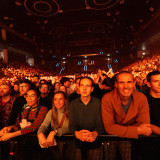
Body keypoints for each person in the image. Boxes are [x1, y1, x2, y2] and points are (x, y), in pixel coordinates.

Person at [101, 71, 151, 160]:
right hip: (112, 138)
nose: (126, 86)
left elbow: (144, 124)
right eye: (121, 82)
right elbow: (109, 127)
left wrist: (118, 128)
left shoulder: (141, 98)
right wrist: (137, 130)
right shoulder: (107, 98)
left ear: (134, 83)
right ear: (116, 84)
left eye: (129, 82)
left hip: (130, 140)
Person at [0, 88, 48, 160]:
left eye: (32, 96)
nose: (29, 98)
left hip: (37, 143)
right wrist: (11, 127)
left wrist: (11, 135)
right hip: (25, 143)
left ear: (38, 98)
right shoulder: (26, 110)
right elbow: (22, 125)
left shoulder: (43, 109)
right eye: (27, 96)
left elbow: (33, 127)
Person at [69, 77, 104, 160]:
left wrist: (95, 133)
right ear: (78, 87)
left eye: (87, 86)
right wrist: (77, 133)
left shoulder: (98, 103)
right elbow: (72, 124)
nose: (84, 88)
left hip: (95, 143)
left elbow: (100, 123)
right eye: (82, 85)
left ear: (92, 89)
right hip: (78, 144)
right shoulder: (73, 104)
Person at [37, 91, 70, 160]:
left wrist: (54, 132)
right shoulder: (51, 112)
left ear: (65, 100)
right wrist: (40, 133)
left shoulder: (70, 112)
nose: (58, 102)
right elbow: (44, 125)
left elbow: (69, 128)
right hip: (54, 146)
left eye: (60, 99)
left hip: (68, 145)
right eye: (55, 99)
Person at [145, 71, 160, 160]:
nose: (159, 84)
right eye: (156, 81)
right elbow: (143, 123)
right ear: (148, 84)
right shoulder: (143, 100)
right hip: (149, 145)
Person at [0, 81, 15, 160]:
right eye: (0, 88)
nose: (1, 90)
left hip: (9, 131)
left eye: (4, 88)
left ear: (10, 91)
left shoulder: (14, 101)